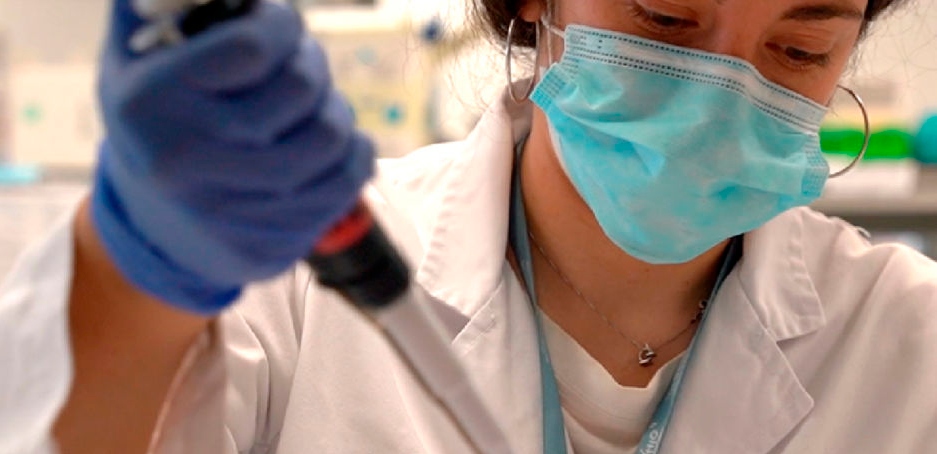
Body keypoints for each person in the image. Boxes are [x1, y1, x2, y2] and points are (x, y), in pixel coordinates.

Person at [1, 0, 933, 452]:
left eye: (799, 49)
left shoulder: (908, 340)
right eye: (664, 15)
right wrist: (139, 260)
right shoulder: (294, 285)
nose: (721, 93)